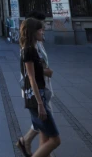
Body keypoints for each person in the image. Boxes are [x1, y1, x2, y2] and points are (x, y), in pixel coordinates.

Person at [19, 17, 60, 157]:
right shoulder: (29, 51)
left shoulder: (34, 48)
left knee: (46, 134)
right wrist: (40, 104)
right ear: (33, 32)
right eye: (40, 29)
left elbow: (35, 72)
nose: (43, 32)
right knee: (55, 139)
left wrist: (45, 71)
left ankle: (26, 142)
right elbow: (31, 77)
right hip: (38, 97)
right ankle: (25, 142)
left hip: (39, 95)